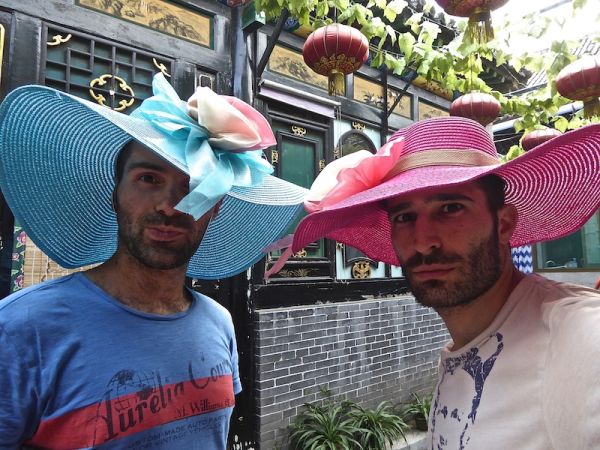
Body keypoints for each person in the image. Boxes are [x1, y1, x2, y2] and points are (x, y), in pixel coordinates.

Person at [0, 74, 306, 448]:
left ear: (215, 209)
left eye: (196, 189)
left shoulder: (219, 323)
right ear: (115, 194)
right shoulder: (20, 329)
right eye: (148, 179)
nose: (169, 206)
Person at [272, 116, 600, 449]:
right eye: (404, 216)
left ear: (503, 225)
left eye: (451, 207)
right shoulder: (462, 351)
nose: (422, 242)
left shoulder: (576, 339)